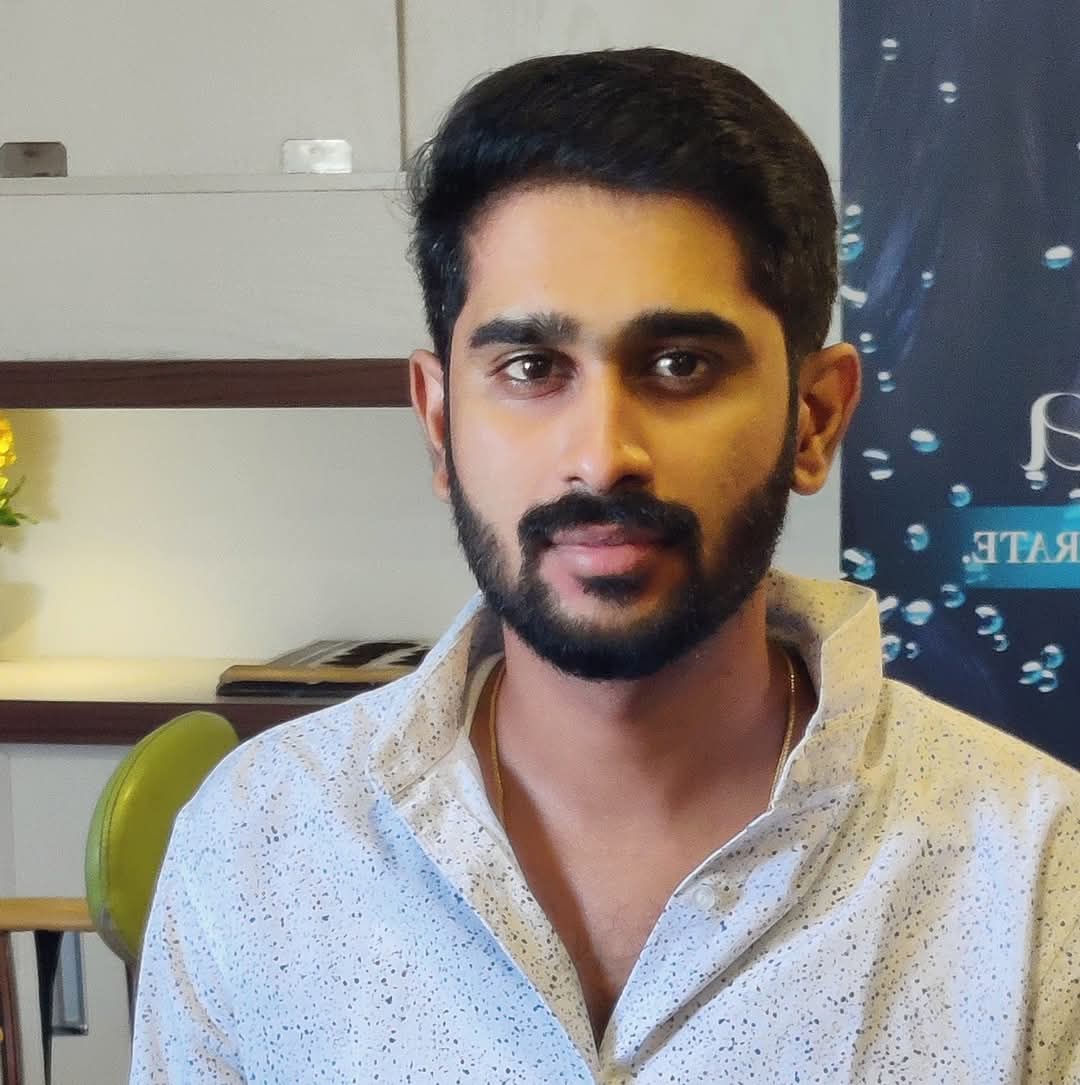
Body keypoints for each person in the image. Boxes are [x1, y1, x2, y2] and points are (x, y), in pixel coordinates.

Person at [131, 49, 1080, 1083]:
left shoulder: (1042, 878)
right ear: (440, 423)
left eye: (681, 364)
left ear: (813, 418)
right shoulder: (257, 841)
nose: (601, 454)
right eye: (532, 367)